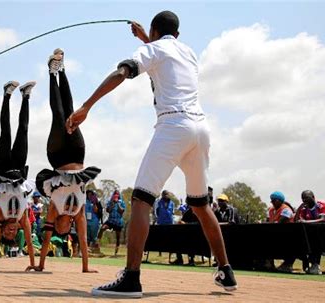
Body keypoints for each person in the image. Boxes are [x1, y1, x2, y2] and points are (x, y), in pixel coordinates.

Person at [66, 11, 237, 297]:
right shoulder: (188, 52)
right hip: (201, 129)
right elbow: (163, 55)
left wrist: (86, 106)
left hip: (173, 126)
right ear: (177, 34)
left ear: (155, 31)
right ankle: (226, 272)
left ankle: (131, 278)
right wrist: (147, 38)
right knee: (200, 203)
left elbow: (124, 71)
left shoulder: (153, 49)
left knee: (142, 198)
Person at [33, 49, 101, 273]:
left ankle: (52, 73)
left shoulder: (53, 211)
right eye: (65, 229)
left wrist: (40, 265)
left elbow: (45, 239)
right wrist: (86, 268)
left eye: (59, 230)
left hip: (58, 157)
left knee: (58, 114)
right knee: (71, 114)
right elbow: (82, 240)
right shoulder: (78, 214)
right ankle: (62, 69)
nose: (64, 227)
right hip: (77, 157)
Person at [0, 80, 38, 270]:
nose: (12, 232)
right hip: (18, 171)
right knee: (24, 130)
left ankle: (7, 94)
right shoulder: (22, 218)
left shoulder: (0, 216)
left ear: (3, 230)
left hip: (2, 169)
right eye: (14, 234)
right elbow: (29, 242)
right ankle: (26, 96)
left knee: (6, 132)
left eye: (8, 234)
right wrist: (34, 264)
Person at [295, 190, 325, 275]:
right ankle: (314, 265)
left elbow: (322, 219)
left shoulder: (322, 205)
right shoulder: (305, 208)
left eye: (306, 197)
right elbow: (296, 221)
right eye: (303, 198)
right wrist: (299, 208)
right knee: (310, 243)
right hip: (315, 234)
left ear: (313, 197)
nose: (304, 200)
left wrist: (305, 222)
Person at [95, 190, 126, 256]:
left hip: (118, 222)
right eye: (115, 194)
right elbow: (108, 210)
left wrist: (117, 203)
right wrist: (112, 204)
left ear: (119, 195)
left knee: (118, 237)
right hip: (111, 221)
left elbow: (121, 211)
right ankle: (97, 244)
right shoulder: (110, 202)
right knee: (102, 228)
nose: (116, 195)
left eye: (117, 194)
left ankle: (116, 252)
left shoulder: (122, 202)